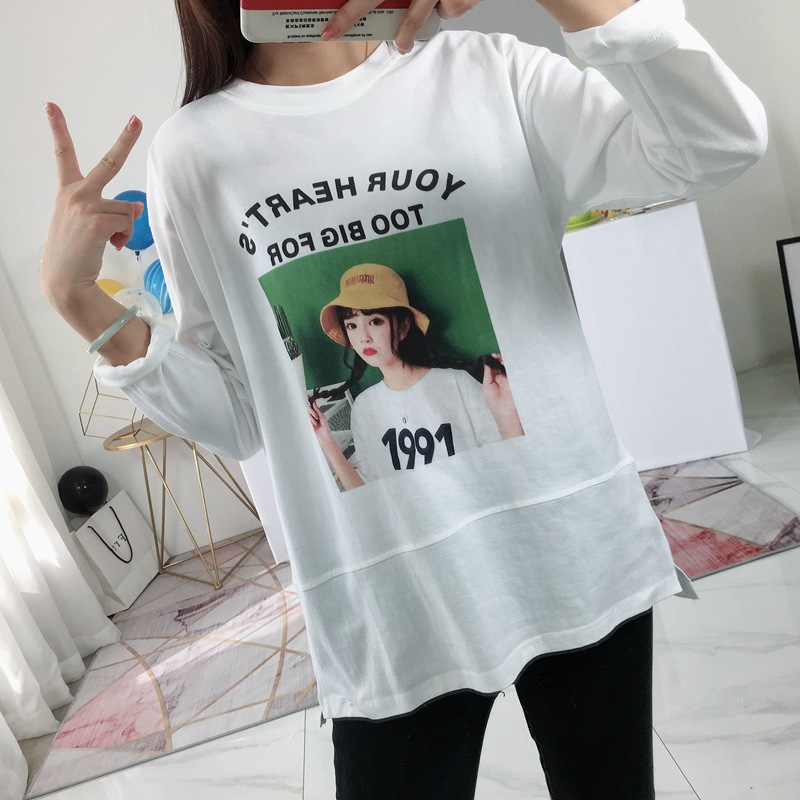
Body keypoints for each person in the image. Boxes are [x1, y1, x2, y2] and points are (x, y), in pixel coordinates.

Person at [40, 0, 767, 797]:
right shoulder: (196, 152)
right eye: (351, 322)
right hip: (386, 599)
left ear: (398, 322)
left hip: (574, 549)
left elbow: (716, 144)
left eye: (373, 318)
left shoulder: (487, 73)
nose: (363, 332)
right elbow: (240, 416)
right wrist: (85, 306)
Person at [308, 262, 524, 489]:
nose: (364, 337)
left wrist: (507, 416)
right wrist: (327, 442)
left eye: (375, 321)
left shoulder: (457, 383)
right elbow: (370, 494)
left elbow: (509, 467)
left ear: (402, 328)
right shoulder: (364, 408)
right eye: (352, 325)